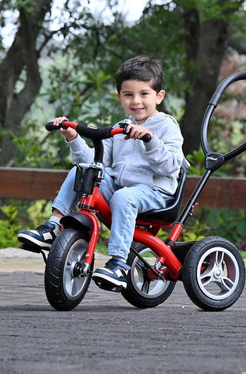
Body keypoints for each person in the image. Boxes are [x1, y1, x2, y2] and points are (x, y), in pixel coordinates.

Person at [18, 55, 188, 291]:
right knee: (83, 170)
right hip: (121, 189)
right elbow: (96, 163)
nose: (136, 101)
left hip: (156, 193)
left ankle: (119, 263)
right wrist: (73, 137)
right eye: (128, 95)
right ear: (120, 97)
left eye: (144, 94)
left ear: (159, 96)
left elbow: (171, 166)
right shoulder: (120, 128)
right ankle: (53, 225)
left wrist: (149, 139)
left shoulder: (166, 125)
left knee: (123, 197)